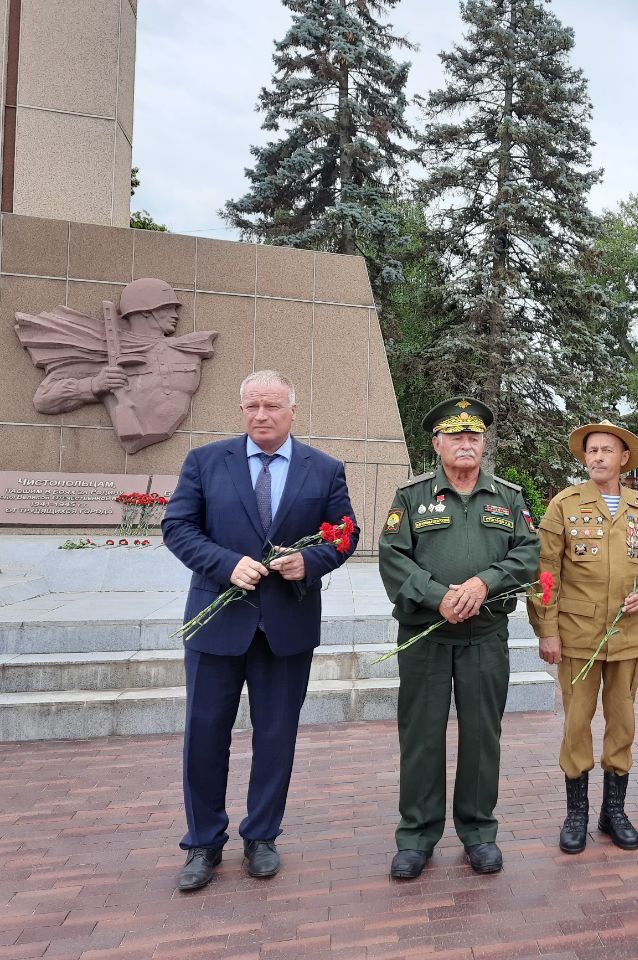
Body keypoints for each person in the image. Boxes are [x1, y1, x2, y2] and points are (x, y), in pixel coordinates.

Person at [161, 370, 358, 892]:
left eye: (271, 406)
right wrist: (225, 565)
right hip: (217, 624)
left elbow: (345, 535)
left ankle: (262, 836)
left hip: (285, 627)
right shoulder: (206, 462)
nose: (260, 415)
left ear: (293, 409)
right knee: (204, 734)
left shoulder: (325, 469)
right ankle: (203, 842)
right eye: (251, 406)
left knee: (276, 736)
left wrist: (309, 561)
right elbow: (178, 527)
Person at [378, 397, 540, 879]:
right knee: (423, 735)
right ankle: (416, 836)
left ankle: (478, 832)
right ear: (437, 444)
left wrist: (483, 583)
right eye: (455, 435)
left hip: (485, 636)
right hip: (426, 636)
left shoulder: (508, 498)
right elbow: (392, 555)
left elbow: (528, 554)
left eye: (473, 436)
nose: (466, 443)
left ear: (483, 443)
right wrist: (435, 595)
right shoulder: (411, 497)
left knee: (481, 737)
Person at [530, 421, 638, 854]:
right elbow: (545, 573)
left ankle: (614, 812)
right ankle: (576, 815)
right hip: (577, 635)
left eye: (607, 450)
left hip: (627, 636)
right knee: (576, 725)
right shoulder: (564, 505)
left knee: (622, 724)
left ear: (623, 458)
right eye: (591, 451)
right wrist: (547, 630)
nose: (598, 457)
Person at [17, 277, 218, 453]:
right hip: (132, 428)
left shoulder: (190, 349)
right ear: (146, 312)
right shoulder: (100, 351)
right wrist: (94, 385)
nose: (176, 315)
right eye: (167, 308)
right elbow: (43, 400)